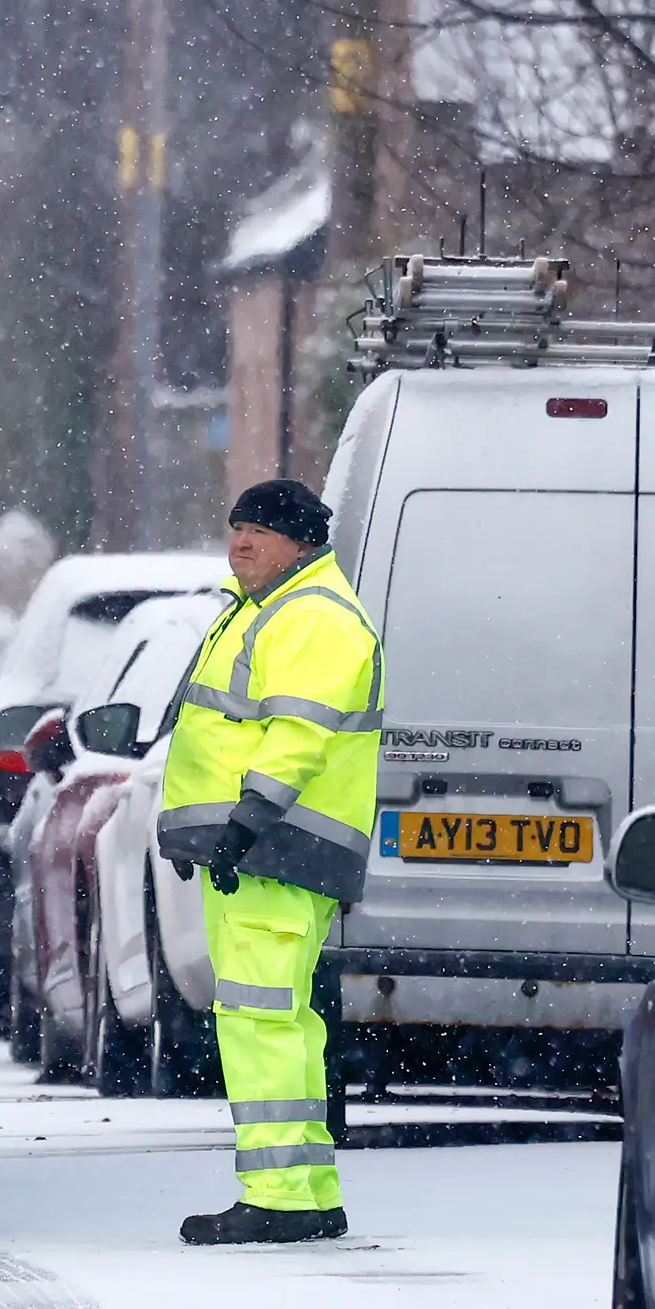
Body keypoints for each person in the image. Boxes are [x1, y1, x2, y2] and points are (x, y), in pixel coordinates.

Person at [155, 475, 382, 1245]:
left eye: (261, 530)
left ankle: (280, 1198)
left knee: (259, 1021)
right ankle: (308, 1188)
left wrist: (244, 826)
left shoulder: (311, 616)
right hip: (267, 852)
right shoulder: (271, 610)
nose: (240, 541)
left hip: (276, 852)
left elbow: (297, 736)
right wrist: (200, 830)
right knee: (286, 1020)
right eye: (236, 527)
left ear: (303, 542)